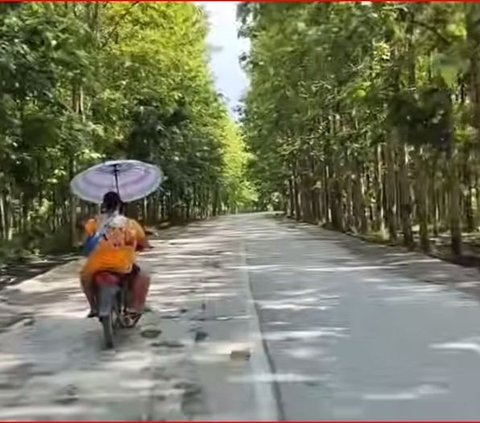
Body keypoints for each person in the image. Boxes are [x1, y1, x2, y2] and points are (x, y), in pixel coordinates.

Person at [80, 191, 151, 318]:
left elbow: (84, 242)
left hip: (95, 265)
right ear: (119, 205)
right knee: (144, 275)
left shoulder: (94, 222)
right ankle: (134, 307)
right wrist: (146, 245)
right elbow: (143, 242)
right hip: (122, 265)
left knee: (84, 278)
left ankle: (93, 308)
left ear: (104, 205)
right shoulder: (129, 223)